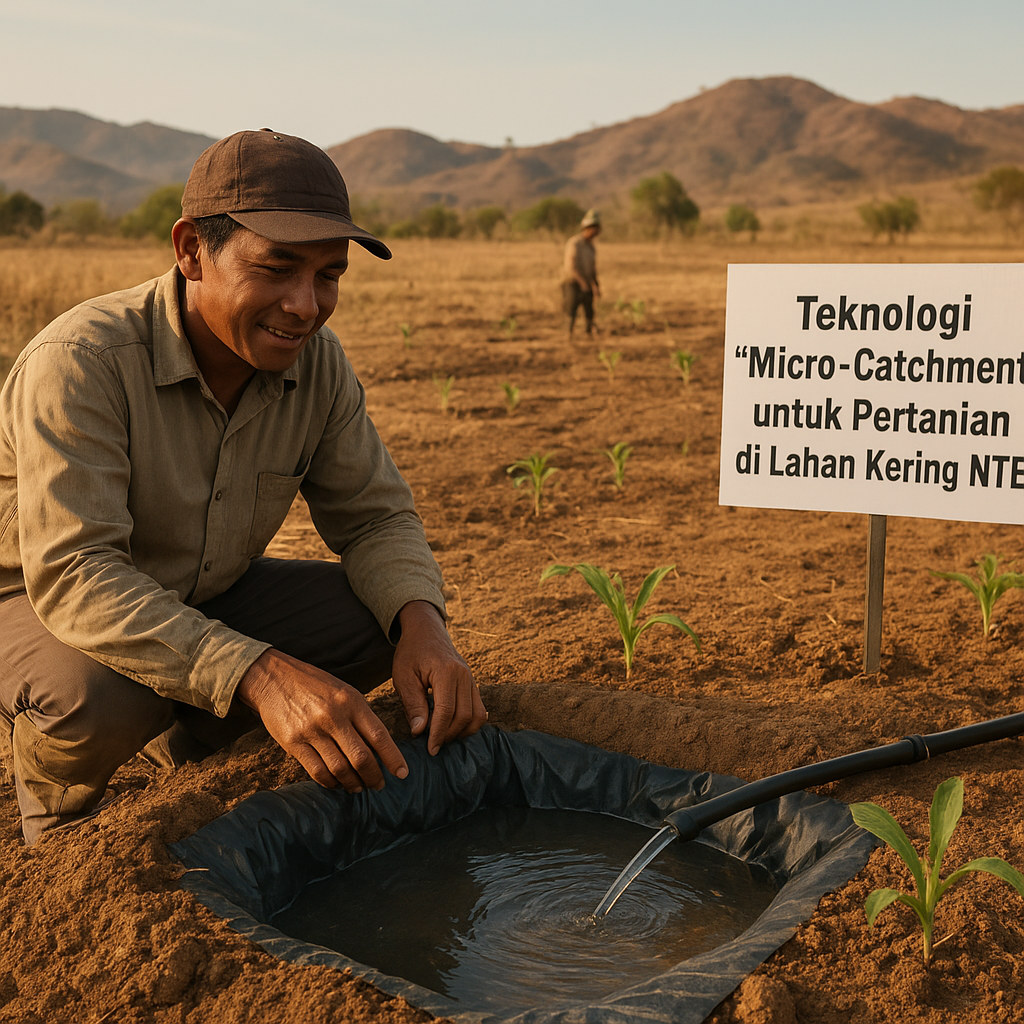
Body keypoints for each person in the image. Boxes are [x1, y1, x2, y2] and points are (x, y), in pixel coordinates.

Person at [0, 129, 487, 845]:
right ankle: (57, 813)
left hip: (199, 590)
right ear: (191, 251)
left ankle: (200, 752)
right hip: (39, 600)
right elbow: (78, 574)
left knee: (377, 618)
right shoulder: (83, 361)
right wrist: (260, 674)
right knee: (96, 697)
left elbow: (375, 518)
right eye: (277, 268)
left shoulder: (316, 364)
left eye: (329, 275)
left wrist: (426, 627)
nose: (304, 304)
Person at [561, 208, 602, 338]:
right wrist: (583, 283)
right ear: (586, 228)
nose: (596, 231)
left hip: (586, 282)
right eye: (593, 227)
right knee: (571, 308)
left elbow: (592, 268)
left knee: (589, 309)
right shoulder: (575, 243)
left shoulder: (591, 247)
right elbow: (571, 267)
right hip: (572, 282)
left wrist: (595, 285)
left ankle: (588, 333)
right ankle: (568, 335)